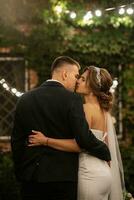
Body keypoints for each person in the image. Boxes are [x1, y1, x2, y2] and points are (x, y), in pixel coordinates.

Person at [11, 56, 111, 200]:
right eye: (76, 76)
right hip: (62, 178)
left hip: (30, 177)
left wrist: (21, 172)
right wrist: (104, 150)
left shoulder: (25, 99)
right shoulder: (72, 99)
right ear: (65, 74)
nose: (77, 81)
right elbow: (83, 138)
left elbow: (16, 141)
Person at [28, 66, 125, 200]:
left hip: (89, 174)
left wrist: (45, 140)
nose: (78, 81)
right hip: (105, 174)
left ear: (92, 87)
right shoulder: (104, 111)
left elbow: (79, 145)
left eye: (83, 79)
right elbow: (104, 143)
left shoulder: (85, 109)